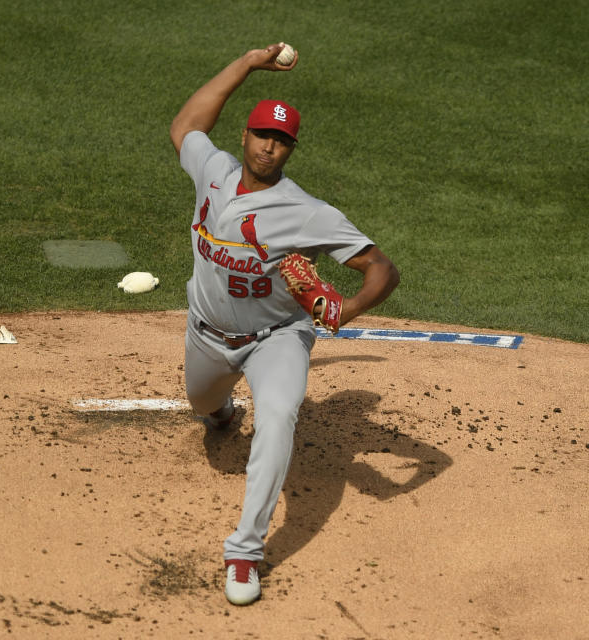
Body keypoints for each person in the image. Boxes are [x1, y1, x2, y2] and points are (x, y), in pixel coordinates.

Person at [169, 42, 400, 606]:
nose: (269, 147)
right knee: (204, 406)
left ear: (290, 148)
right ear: (244, 136)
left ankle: (244, 552)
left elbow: (382, 269)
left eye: (281, 140)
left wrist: (343, 311)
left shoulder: (308, 212)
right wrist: (246, 63)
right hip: (206, 331)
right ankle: (222, 411)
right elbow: (187, 123)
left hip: (276, 338)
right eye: (261, 135)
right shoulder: (214, 170)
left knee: (278, 412)